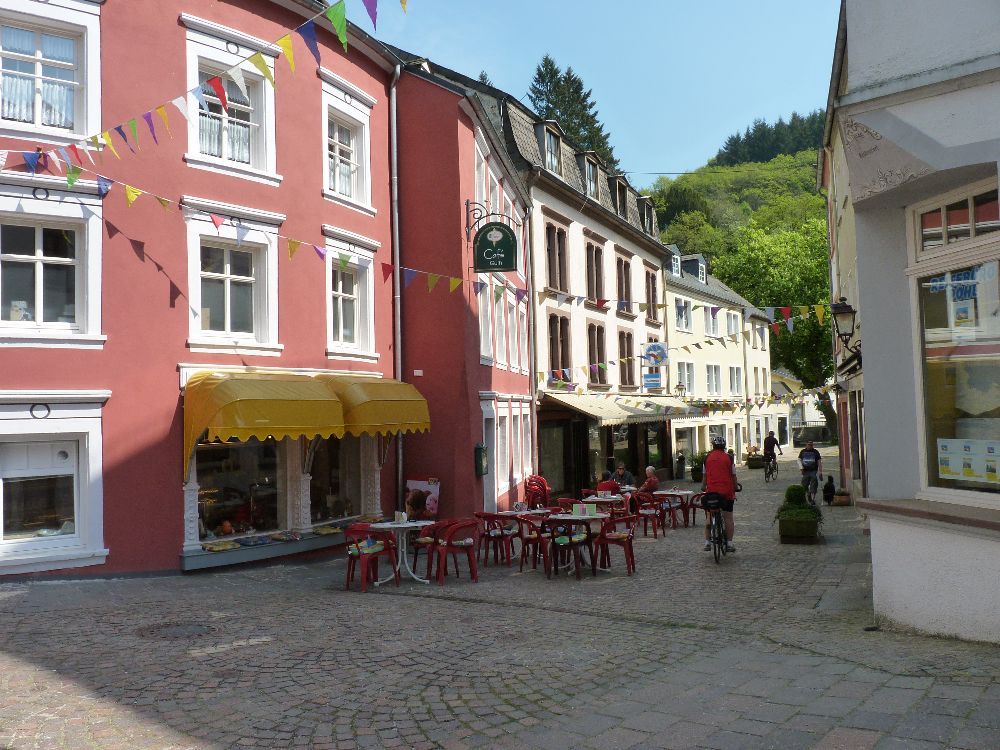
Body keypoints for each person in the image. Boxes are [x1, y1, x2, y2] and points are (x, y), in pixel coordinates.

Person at [701, 435, 738, 552]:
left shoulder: (707, 458)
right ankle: (729, 543)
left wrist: (703, 487)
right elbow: (733, 475)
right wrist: (735, 487)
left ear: (713, 446)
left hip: (711, 492)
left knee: (709, 515)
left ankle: (707, 542)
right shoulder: (729, 458)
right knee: (728, 517)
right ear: (724, 446)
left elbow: (705, 475)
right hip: (726, 493)